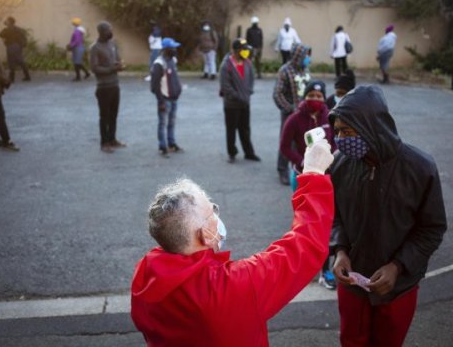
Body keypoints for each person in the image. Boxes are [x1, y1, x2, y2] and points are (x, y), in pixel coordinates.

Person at [131, 135, 336, 346]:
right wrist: (314, 172)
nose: (217, 215)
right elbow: (304, 246)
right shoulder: (235, 286)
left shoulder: (145, 276)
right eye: (212, 211)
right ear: (205, 234)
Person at [328, 85, 447, 347]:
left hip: (398, 289)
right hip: (352, 285)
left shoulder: (420, 168)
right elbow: (333, 215)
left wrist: (398, 266)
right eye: (337, 132)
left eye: (348, 131)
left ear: (372, 126)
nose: (340, 139)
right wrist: (339, 251)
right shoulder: (338, 164)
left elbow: (432, 229)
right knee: (351, 341)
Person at [279, 80, 337, 289]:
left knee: (326, 224)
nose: (315, 99)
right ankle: (302, 267)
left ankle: (325, 270)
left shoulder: (329, 117)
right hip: (301, 177)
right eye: (311, 95)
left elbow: (337, 141)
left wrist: (332, 158)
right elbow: (284, 147)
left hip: (327, 177)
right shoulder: (294, 119)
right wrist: (303, 161)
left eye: (319, 96)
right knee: (305, 224)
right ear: (305, 97)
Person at [273, 43, 312, 185]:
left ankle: (299, 168)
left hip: (306, 113)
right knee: (286, 141)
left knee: (303, 142)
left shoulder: (305, 70)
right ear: (297, 57)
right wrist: (290, 108)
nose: (307, 58)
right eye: (305, 55)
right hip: (290, 113)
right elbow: (277, 94)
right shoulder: (285, 70)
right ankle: (282, 170)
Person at [219, 38, 260, 163]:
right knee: (231, 129)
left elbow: (251, 79)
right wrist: (239, 96)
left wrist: (248, 92)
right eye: (243, 50)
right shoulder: (226, 66)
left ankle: (249, 153)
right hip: (232, 104)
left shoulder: (247, 62)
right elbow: (226, 87)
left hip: (245, 102)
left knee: (245, 128)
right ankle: (232, 153)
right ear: (235, 51)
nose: (246, 52)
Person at [89, 21, 126, 153]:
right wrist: (112, 68)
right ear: (101, 32)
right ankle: (104, 143)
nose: (111, 32)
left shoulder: (113, 44)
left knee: (114, 115)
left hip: (115, 85)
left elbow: (117, 59)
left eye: (111, 29)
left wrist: (120, 65)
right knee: (104, 116)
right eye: (108, 30)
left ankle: (112, 139)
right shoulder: (95, 48)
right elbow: (94, 68)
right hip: (103, 87)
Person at [150, 37, 183, 157]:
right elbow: (154, 86)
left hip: (174, 97)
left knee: (172, 122)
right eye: (172, 47)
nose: (175, 49)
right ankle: (162, 146)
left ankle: (171, 143)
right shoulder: (159, 64)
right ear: (166, 49)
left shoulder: (173, 60)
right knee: (163, 123)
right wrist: (161, 101)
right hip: (165, 99)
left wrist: (179, 89)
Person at [0, 16, 31, 82]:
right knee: (21, 61)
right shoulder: (18, 29)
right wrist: (21, 46)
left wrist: (5, 24)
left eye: (7, 21)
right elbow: (23, 36)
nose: (6, 21)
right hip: (18, 47)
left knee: (11, 62)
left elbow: (1, 34)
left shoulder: (7, 30)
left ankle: (12, 79)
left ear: (9, 22)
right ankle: (27, 76)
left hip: (11, 46)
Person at [67, 17, 90, 82]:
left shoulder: (77, 31)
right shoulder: (79, 30)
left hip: (77, 47)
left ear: (74, 23)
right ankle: (85, 74)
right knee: (77, 62)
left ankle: (79, 77)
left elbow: (76, 41)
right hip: (79, 47)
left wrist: (70, 45)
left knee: (76, 63)